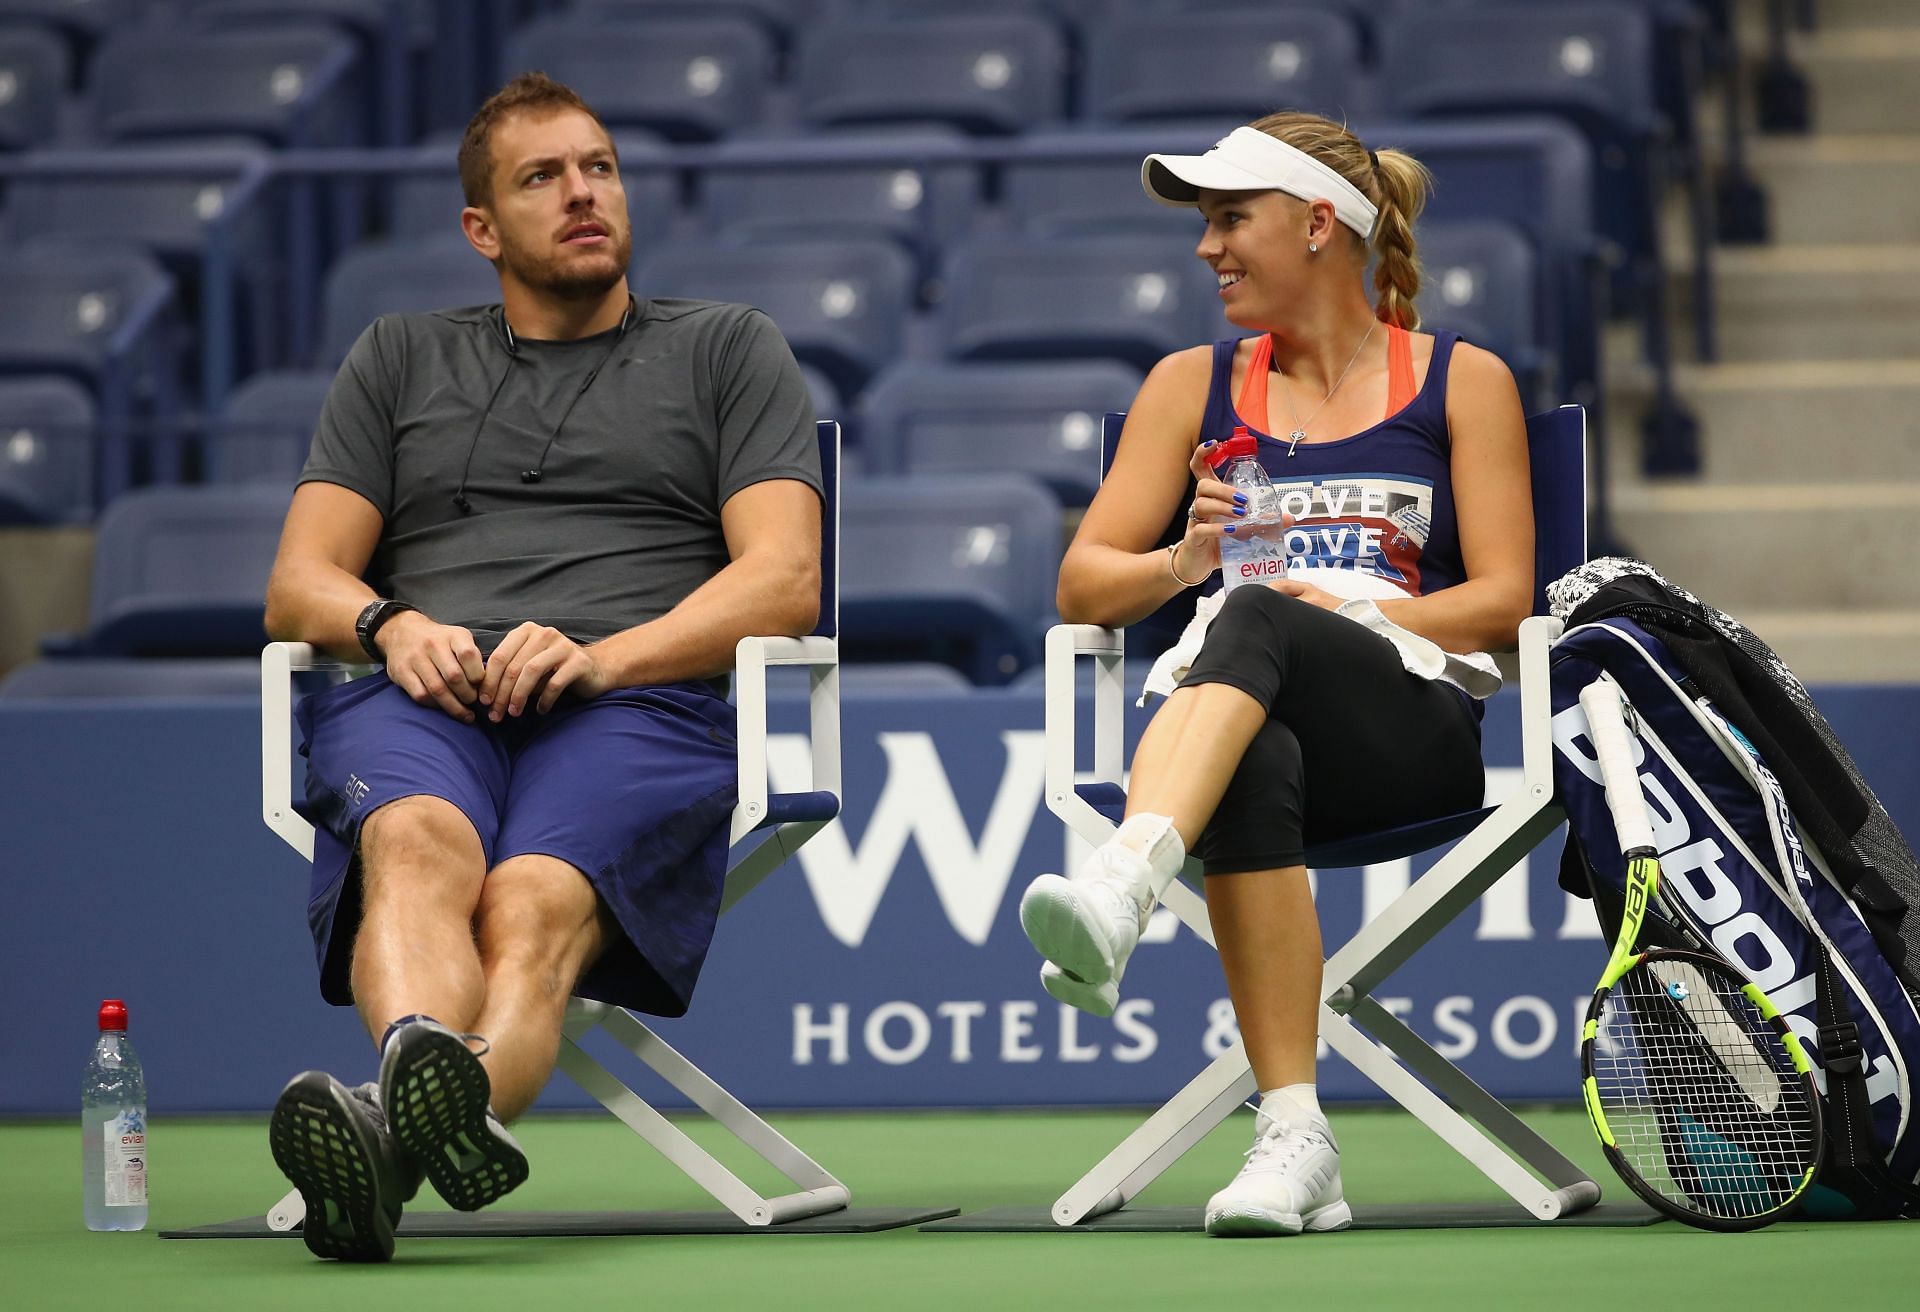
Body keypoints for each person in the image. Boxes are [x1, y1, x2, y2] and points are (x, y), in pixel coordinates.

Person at [261, 73, 823, 1263]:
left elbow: (783, 580)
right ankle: (424, 1089)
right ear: (482, 229)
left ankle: (388, 1137)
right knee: (410, 844)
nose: (583, 193)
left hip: (636, 702)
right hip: (427, 699)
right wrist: (389, 627)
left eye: (599, 167)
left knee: (531, 904)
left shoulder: (726, 349)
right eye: (543, 177)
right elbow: (301, 581)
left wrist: (601, 658)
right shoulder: (399, 358)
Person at [1016, 112, 1535, 1238]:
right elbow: (1082, 584)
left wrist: (1338, 602)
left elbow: (1503, 602)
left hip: (1408, 731)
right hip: (1242, 737)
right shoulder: (1184, 384)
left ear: (1316, 225)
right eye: (1203, 225)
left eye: (1228, 220)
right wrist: (1182, 558)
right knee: (1254, 731)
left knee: (1259, 610)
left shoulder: (1461, 380)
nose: (1206, 248)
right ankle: (1295, 1138)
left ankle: (1125, 880)